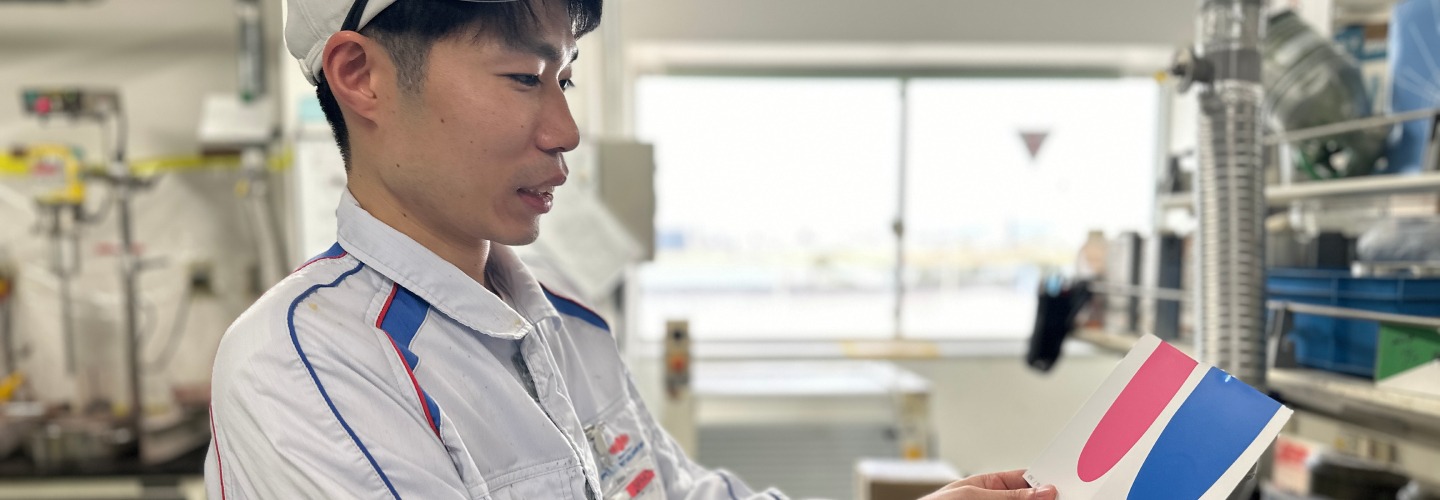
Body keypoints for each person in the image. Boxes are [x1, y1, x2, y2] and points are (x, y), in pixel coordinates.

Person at [204, 0, 1061, 498]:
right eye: (523, 77)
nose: (565, 129)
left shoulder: (567, 328)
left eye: (566, 77)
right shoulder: (302, 365)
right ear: (360, 76)